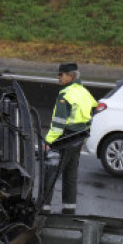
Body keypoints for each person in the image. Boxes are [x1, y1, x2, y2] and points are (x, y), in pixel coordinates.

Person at [44, 62, 98, 214]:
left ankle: (43, 210)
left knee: (50, 174)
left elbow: (58, 123)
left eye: (61, 74)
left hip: (64, 140)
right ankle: (69, 210)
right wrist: (83, 141)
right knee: (70, 176)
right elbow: (89, 119)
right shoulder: (85, 93)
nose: (58, 77)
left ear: (71, 76)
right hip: (77, 141)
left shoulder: (66, 95)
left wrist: (49, 142)